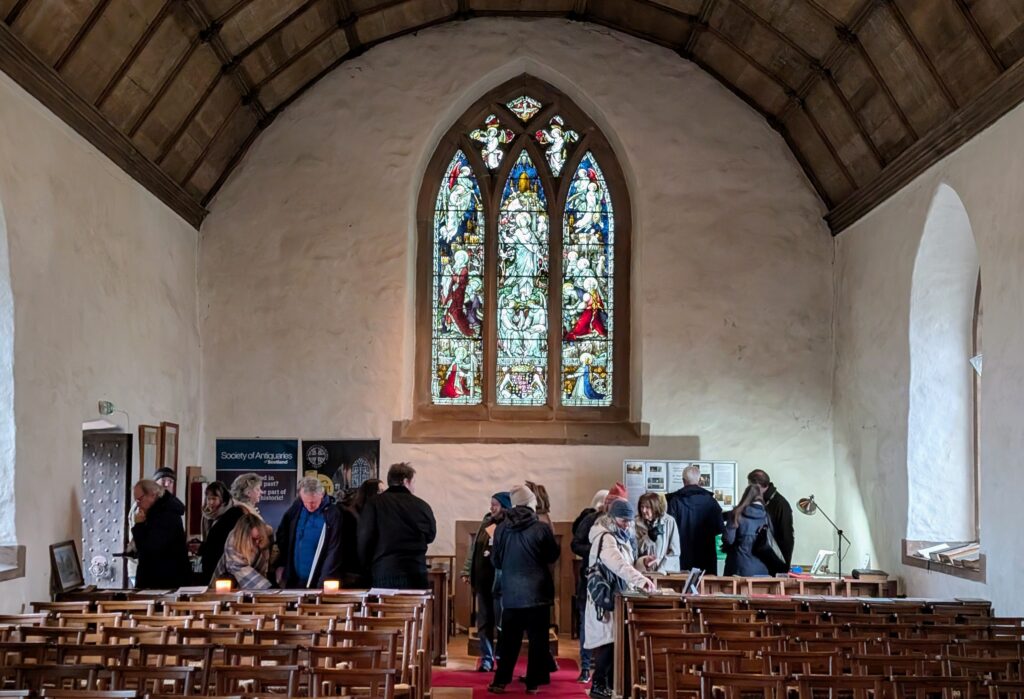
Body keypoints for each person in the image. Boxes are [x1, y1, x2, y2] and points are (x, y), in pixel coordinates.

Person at [488, 486, 560, 694]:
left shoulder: (501, 528)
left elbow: (496, 561)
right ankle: (533, 683)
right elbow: (552, 556)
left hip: (511, 592)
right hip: (538, 593)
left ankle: (500, 681)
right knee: (538, 640)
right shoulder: (540, 528)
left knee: (509, 640)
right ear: (530, 503)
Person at [584, 499, 656, 699]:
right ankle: (598, 685)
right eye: (623, 520)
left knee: (614, 641)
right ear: (612, 518)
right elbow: (617, 564)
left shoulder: (621, 535)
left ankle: (611, 684)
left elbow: (628, 563)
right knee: (607, 642)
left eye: (629, 520)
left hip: (617, 595)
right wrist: (641, 580)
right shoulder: (606, 537)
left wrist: (643, 563)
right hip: (605, 598)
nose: (627, 524)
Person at [357, 463, 437, 589]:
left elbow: (364, 538)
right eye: (413, 482)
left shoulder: (374, 504)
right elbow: (431, 536)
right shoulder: (422, 506)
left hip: (384, 571)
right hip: (416, 572)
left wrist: (366, 567)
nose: (414, 487)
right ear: (406, 481)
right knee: (414, 609)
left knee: (386, 609)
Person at [461, 492, 511, 672]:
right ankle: (487, 659)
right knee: (484, 622)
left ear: (505, 506)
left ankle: (502, 659)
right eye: (491, 504)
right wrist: (467, 570)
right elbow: (475, 549)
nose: (492, 508)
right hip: (483, 581)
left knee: (501, 624)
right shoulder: (487, 522)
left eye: (495, 505)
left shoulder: (509, 525)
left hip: (501, 584)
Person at [275, 477, 345, 589]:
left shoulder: (332, 514)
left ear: (322, 495)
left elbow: (334, 551)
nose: (309, 506)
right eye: (305, 502)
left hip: (319, 580)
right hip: (294, 580)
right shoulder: (297, 508)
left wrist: (324, 582)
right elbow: (283, 536)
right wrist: (282, 564)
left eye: (313, 502)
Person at [570, 488, 608, 684]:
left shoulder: (618, 521)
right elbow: (575, 544)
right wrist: (595, 551)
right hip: (590, 577)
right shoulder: (589, 519)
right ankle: (585, 667)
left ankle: (604, 671)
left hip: (610, 580)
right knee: (586, 622)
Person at [131, 479, 190, 589]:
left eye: (139, 499)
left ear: (152, 495)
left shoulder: (165, 515)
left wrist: (139, 526)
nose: (138, 504)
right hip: (160, 580)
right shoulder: (157, 512)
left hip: (163, 582)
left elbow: (150, 549)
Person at [666, 465, 724, 574]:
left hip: (681, 555)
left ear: (683, 481)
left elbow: (669, 530)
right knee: (706, 587)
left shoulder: (674, 501)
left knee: (681, 587)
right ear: (699, 480)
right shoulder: (711, 501)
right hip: (706, 555)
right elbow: (719, 529)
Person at [211, 512, 274, 589]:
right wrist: (266, 588)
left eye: (259, 538)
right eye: (253, 539)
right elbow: (239, 568)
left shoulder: (267, 535)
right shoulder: (233, 541)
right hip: (226, 584)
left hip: (257, 583)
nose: (257, 542)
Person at [340, 478, 384, 587]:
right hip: (354, 571)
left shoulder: (376, 513)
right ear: (372, 494)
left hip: (371, 569)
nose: (384, 495)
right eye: (381, 492)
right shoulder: (349, 515)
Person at [198, 481, 244, 584]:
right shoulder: (208, 517)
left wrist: (203, 548)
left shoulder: (234, 515)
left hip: (225, 568)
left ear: (223, 499)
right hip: (210, 566)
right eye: (209, 499)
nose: (210, 502)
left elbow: (222, 543)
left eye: (214, 499)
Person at [747, 469, 794, 568]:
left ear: (758, 485)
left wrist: (784, 565)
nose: (749, 489)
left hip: (774, 560)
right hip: (761, 558)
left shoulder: (780, 504)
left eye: (750, 485)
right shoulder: (760, 500)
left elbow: (787, 537)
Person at [722, 484, 772, 577]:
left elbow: (728, 539)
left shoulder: (736, 514)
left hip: (739, 569)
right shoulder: (768, 516)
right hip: (763, 569)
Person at [635, 492, 681, 574]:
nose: (644, 510)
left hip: (665, 573)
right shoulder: (636, 523)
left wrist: (660, 564)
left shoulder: (669, 521)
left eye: (647, 507)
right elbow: (634, 550)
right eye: (642, 507)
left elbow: (675, 551)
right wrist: (648, 538)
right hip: (643, 572)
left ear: (655, 508)